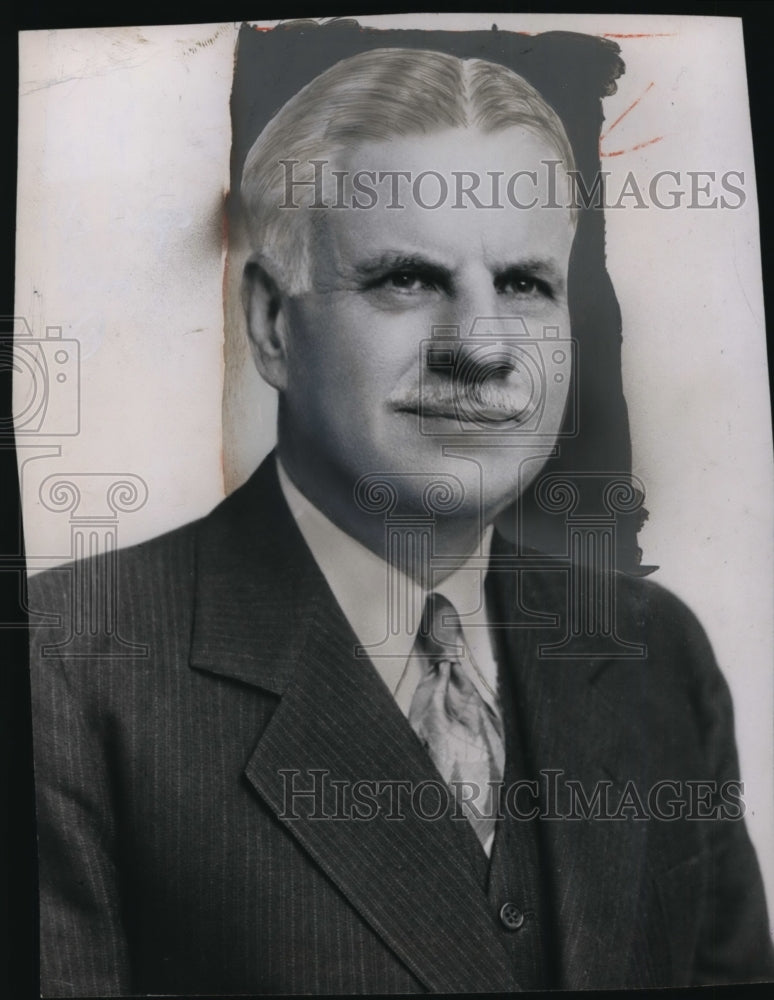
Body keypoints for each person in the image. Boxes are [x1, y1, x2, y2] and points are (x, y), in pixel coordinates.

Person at [28, 47, 774, 995]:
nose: (481, 348)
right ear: (269, 325)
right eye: (408, 280)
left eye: (524, 285)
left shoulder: (655, 650)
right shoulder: (66, 670)